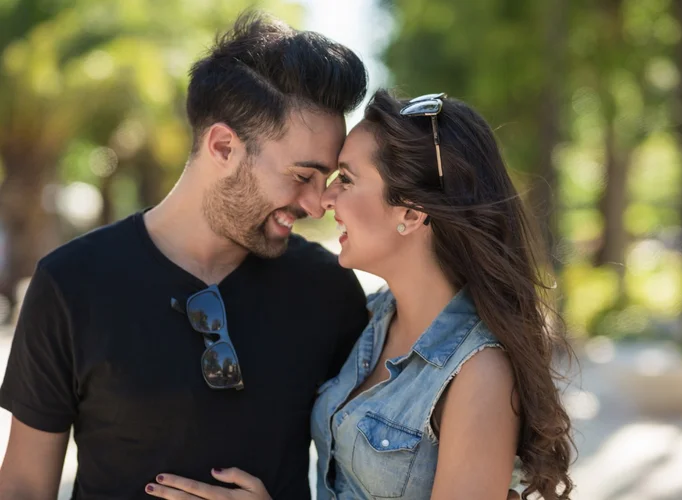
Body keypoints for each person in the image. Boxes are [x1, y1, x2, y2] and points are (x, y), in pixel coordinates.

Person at [0, 12, 370, 500]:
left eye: (327, 181)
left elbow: (368, 481)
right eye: (303, 176)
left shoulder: (330, 291)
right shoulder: (69, 283)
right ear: (222, 146)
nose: (317, 203)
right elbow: (25, 486)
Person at [144, 91, 575, 499]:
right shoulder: (369, 319)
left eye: (345, 179)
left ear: (410, 212)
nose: (324, 199)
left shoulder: (478, 373)